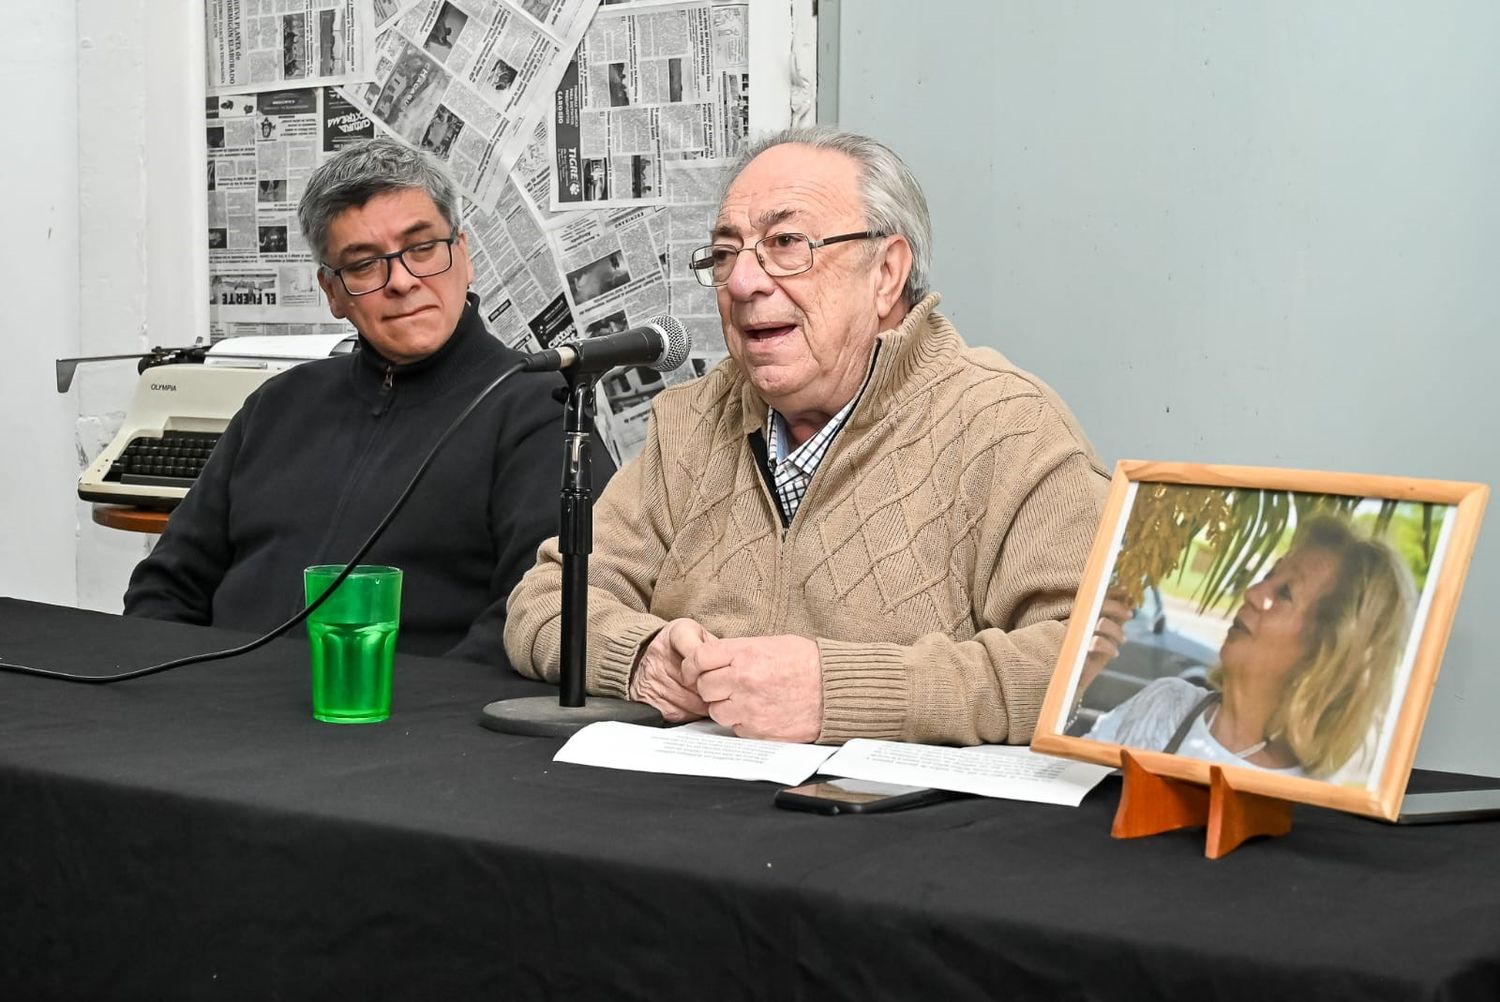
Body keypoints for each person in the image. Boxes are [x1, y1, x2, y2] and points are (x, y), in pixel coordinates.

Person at [504, 127, 1108, 745]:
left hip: (892, 833)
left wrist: (843, 693)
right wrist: (641, 657)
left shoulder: (1007, 425)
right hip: (686, 817)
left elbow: (1100, 666)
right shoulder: (692, 422)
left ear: (886, 273)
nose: (743, 283)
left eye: (786, 243)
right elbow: (543, 603)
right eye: (725, 253)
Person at [125, 137, 612, 666]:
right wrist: (170, 693)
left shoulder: (546, 412)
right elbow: (166, 586)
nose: (401, 281)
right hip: (214, 713)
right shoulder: (276, 405)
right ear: (332, 292)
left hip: (401, 728)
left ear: (465, 257)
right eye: (363, 265)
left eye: (423, 248)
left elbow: (533, 620)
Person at [1081, 515, 1417, 779]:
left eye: (1285, 592)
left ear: (1327, 651)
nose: (1253, 593)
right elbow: (1067, 791)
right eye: (1269, 574)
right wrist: (1077, 680)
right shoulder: (1168, 704)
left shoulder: (1315, 797)